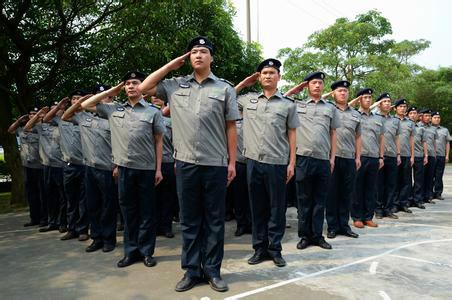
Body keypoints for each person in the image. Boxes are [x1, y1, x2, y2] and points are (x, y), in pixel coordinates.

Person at [138, 36, 239, 292]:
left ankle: (213, 271)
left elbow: (231, 127)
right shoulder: (174, 85)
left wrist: (232, 162)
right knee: (190, 220)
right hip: (185, 164)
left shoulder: (225, 89)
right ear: (188, 58)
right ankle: (192, 271)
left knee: (215, 220)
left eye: (203, 52)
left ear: (211, 58)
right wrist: (171, 65)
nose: (198, 55)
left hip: (216, 163)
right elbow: (143, 88)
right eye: (193, 52)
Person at [81, 71, 165, 268]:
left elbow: (159, 141)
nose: (130, 86)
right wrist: (113, 89)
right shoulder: (113, 110)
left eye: (135, 83)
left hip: (146, 168)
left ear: (142, 86)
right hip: (125, 169)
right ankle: (130, 251)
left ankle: (146, 252)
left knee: (146, 212)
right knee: (128, 212)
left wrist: (159, 169)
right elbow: (85, 105)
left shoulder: (153, 112)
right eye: (127, 84)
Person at [235, 59, 299, 267]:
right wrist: (245, 82)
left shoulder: (288, 105)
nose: (268, 76)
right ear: (259, 77)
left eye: (272, 72)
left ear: (279, 77)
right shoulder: (248, 100)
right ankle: (259, 248)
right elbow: (225, 97)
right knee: (257, 208)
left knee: (277, 208)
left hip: (277, 163)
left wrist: (292, 163)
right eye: (264, 73)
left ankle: (275, 249)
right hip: (253, 162)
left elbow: (292, 134)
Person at [285, 71, 340, 250]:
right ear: (307, 86)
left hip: (323, 160)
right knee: (304, 200)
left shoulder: (330, 108)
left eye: (320, 83)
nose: (317, 86)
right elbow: (282, 98)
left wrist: (332, 158)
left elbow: (333, 133)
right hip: (303, 159)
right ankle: (304, 236)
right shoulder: (297, 104)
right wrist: (297, 88)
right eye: (313, 83)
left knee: (319, 200)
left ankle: (317, 236)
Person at [62, 84, 118, 253]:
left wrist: (117, 165)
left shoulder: (115, 116)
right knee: (92, 205)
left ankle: (109, 239)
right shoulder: (83, 117)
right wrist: (83, 100)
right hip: (89, 168)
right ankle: (97, 238)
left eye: (106, 95)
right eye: (99, 96)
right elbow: (65, 116)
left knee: (108, 206)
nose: (104, 98)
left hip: (108, 168)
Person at [44, 91, 89, 241]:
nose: (76, 101)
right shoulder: (62, 119)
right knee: (71, 199)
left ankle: (83, 229)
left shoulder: (86, 117)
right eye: (74, 98)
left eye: (79, 98)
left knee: (83, 200)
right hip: (68, 166)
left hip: (84, 165)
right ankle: (72, 229)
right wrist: (58, 107)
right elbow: (46, 118)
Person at [325, 80, 361, 239]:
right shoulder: (328, 109)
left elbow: (358, 137)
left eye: (345, 91)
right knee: (332, 193)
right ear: (333, 93)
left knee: (347, 194)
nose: (342, 93)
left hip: (349, 158)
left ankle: (344, 226)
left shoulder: (355, 114)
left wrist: (358, 156)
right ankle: (332, 226)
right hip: (331, 158)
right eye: (339, 91)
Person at [25, 103, 67, 233]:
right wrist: (38, 114)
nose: (56, 112)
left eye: (59, 110)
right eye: (54, 110)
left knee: (63, 197)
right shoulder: (41, 126)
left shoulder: (63, 124)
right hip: (47, 166)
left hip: (61, 165)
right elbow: (27, 127)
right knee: (50, 196)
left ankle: (63, 222)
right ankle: (52, 221)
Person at [351, 88, 385, 228]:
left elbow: (381, 138)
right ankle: (357, 217)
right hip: (358, 157)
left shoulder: (377, 119)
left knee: (371, 189)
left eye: (370, 98)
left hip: (373, 157)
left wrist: (381, 157)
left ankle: (368, 216)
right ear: (359, 99)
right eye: (365, 97)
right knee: (357, 188)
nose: (368, 100)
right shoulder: (353, 115)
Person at [8, 107, 44, 227]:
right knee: (31, 194)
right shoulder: (22, 129)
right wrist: (19, 121)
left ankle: (44, 218)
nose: (33, 116)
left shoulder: (41, 128)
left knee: (42, 194)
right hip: (28, 166)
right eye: (31, 114)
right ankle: (34, 218)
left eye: (35, 113)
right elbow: (10, 130)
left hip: (40, 166)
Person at [149, 96, 177, 239]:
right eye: (153, 97)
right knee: (151, 197)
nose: (156, 99)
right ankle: (153, 227)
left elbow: (176, 142)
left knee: (167, 196)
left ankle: (166, 226)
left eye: (159, 97)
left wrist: (176, 161)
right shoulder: (147, 116)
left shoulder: (171, 122)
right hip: (149, 163)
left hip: (167, 162)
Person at [373, 93, 401, 219]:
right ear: (379, 104)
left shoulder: (395, 120)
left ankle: (388, 209)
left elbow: (397, 138)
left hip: (392, 155)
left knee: (391, 184)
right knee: (378, 184)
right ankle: (378, 209)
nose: (388, 103)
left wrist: (399, 154)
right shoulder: (373, 117)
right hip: (378, 156)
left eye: (389, 101)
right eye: (385, 101)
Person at [394, 99, 415, 213]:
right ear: (395, 108)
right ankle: (394, 204)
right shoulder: (392, 120)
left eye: (404, 106)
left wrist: (412, 156)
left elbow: (412, 140)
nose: (403, 108)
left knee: (406, 180)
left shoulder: (410, 123)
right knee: (394, 180)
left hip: (406, 155)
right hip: (394, 155)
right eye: (400, 106)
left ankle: (403, 203)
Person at [408, 107, 427, 209]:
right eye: (410, 113)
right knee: (406, 180)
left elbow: (424, 142)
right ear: (408, 114)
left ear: (418, 116)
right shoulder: (403, 125)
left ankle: (417, 200)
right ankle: (408, 199)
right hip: (407, 156)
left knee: (418, 180)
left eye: (414, 113)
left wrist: (426, 155)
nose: (412, 115)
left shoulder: (421, 128)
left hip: (419, 155)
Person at [419, 109, 438, 204]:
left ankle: (428, 196)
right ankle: (420, 197)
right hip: (421, 155)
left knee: (430, 177)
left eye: (429, 116)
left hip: (431, 155)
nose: (428, 118)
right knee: (421, 177)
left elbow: (434, 142)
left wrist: (435, 154)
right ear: (421, 116)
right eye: (426, 116)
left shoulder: (433, 128)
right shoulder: (417, 126)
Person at [431, 111, 450, 200]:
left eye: (438, 118)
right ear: (431, 119)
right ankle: (429, 193)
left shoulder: (445, 130)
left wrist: (447, 155)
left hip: (441, 155)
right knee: (430, 175)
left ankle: (438, 193)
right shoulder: (428, 129)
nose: (437, 119)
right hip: (431, 156)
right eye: (435, 117)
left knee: (439, 175)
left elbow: (447, 143)